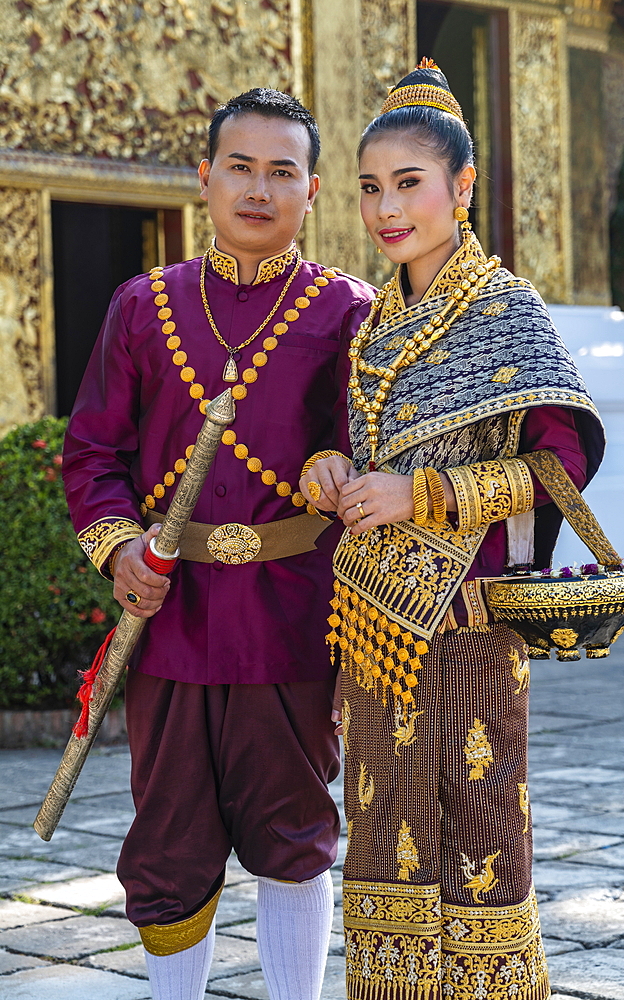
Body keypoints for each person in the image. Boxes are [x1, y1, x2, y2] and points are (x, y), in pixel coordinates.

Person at [299, 61, 604, 1000]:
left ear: (460, 189)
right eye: (368, 188)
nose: (386, 209)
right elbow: (340, 446)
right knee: (382, 838)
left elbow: (559, 466)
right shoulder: (370, 326)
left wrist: (423, 494)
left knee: (480, 835)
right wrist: (329, 472)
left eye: (408, 184)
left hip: (469, 626)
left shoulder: (504, 311)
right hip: (374, 630)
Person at [62, 88, 375, 1000]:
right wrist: (118, 548)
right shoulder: (142, 304)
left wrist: (338, 462)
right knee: (168, 841)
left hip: (297, 614)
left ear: (312, 191)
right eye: (239, 166)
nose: (258, 188)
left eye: (282, 172)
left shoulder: (348, 312)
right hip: (171, 614)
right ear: (204, 177)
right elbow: (93, 451)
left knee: (293, 830)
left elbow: (376, 443)